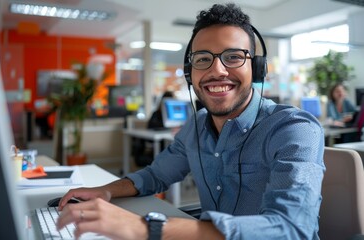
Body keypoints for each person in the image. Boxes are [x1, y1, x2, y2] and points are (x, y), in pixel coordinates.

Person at [56, 3, 325, 239]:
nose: (217, 70)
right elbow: (155, 175)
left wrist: (147, 228)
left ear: (256, 67)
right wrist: (106, 191)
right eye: (203, 59)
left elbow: (292, 229)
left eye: (233, 57)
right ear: (189, 73)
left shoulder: (294, 129)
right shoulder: (196, 126)